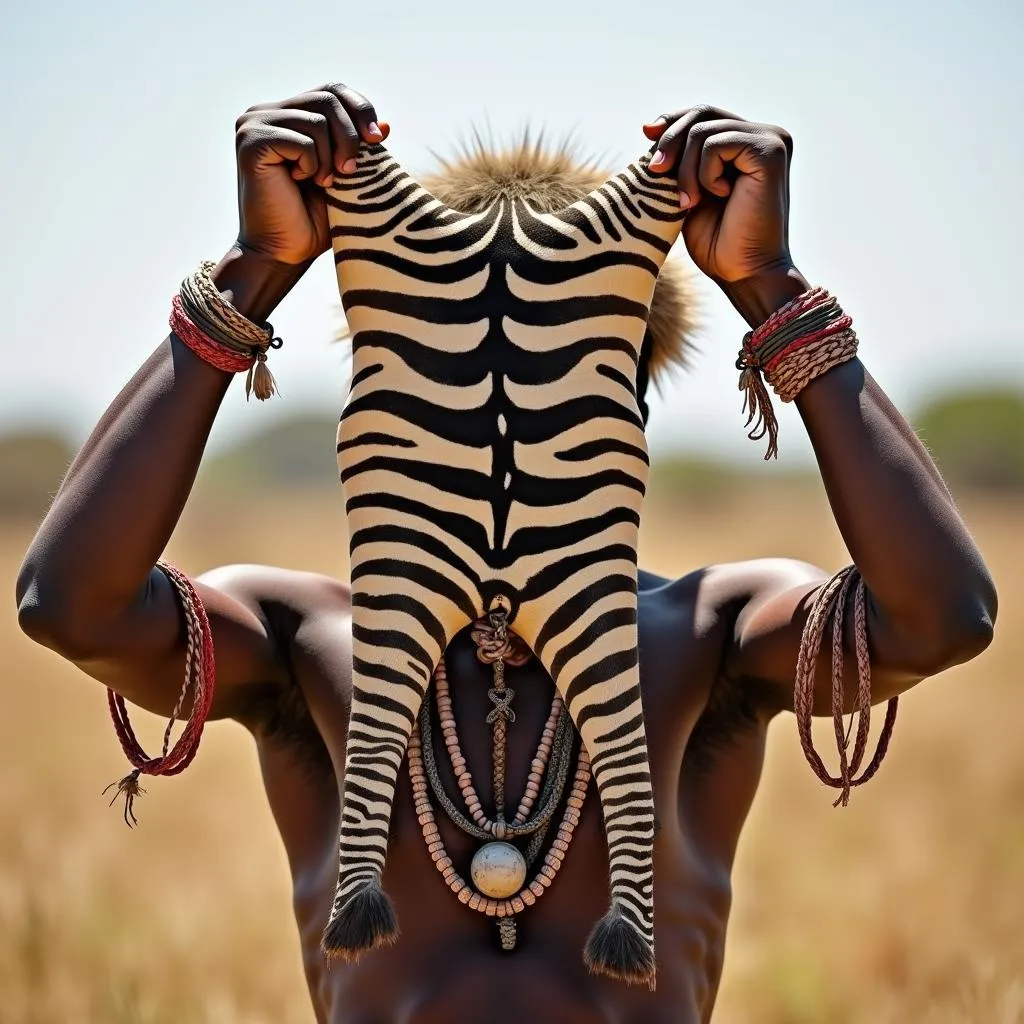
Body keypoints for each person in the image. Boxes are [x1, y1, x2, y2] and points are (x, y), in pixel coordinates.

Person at [15, 81, 997, 1023]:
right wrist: (250, 272)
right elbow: (72, 603)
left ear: (620, 417)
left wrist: (770, 288)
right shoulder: (309, 637)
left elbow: (939, 615)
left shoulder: (707, 633)